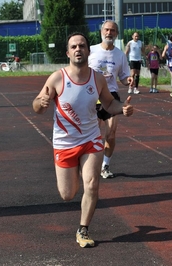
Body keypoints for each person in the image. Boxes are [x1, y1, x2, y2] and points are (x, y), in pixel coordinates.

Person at [32, 32, 133, 248]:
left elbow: (108, 104)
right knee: (68, 194)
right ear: (68, 52)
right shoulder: (57, 78)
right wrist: (40, 103)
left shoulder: (97, 78)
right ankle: (76, 170)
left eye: (82, 46)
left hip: (91, 139)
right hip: (65, 143)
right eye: (74, 46)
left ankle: (83, 229)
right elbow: (37, 107)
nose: (78, 49)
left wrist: (121, 108)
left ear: (88, 50)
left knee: (92, 185)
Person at [88, 20, 133, 179]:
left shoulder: (120, 55)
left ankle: (105, 166)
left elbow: (122, 76)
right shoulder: (91, 51)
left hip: (111, 96)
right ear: (101, 31)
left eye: (112, 30)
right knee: (91, 135)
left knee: (111, 135)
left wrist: (127, 79)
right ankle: (88, 165)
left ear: (116, 34)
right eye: (107, 30)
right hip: (92, 95)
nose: (109, 33)